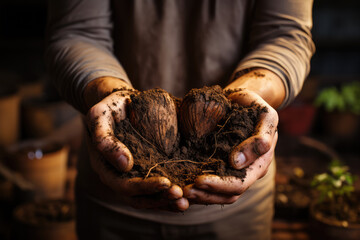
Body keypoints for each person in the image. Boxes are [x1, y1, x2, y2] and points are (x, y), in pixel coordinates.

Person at [45, 0, 315, 239]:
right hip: (114, 189)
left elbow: (286, 35)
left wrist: (241, 107)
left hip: (236, 205)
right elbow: (77, 33)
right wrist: (114, 96)